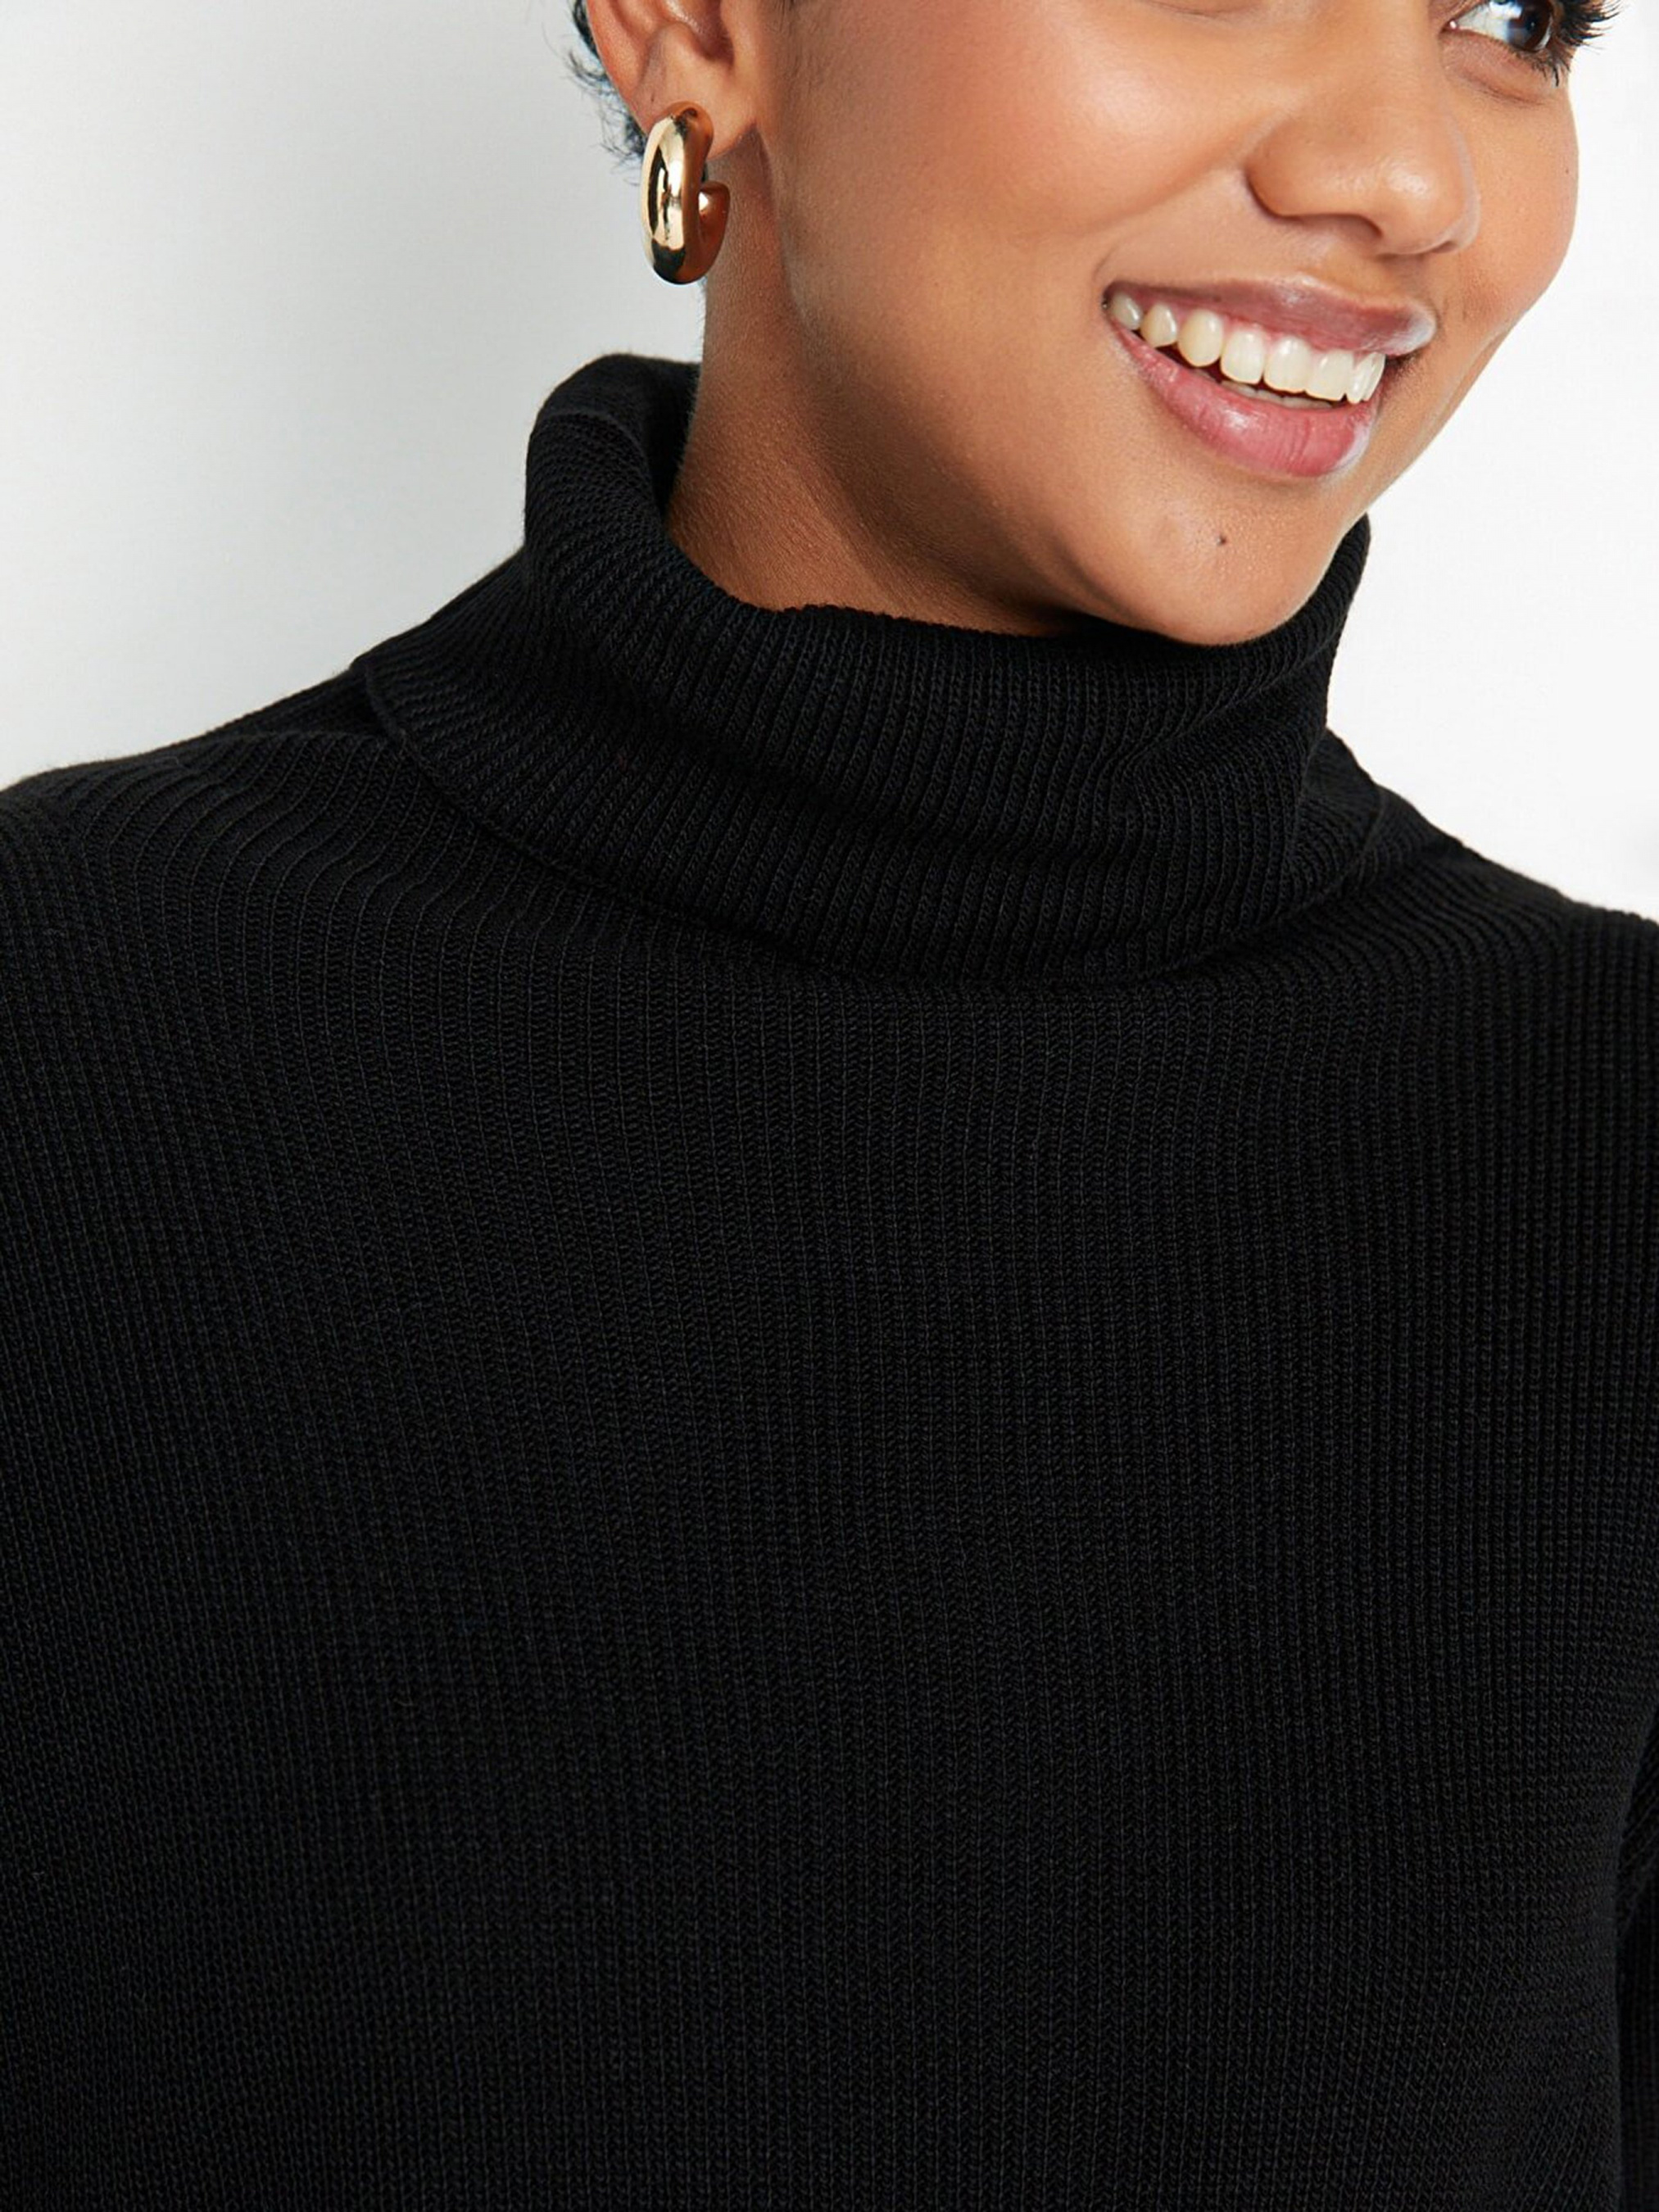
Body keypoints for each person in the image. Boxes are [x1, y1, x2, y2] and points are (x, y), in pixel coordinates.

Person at [2, 0, 1653, 2203]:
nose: (1407, 177)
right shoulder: (71, 1034)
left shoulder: (1605, 1154)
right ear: (695, 26)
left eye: (1519, 17)